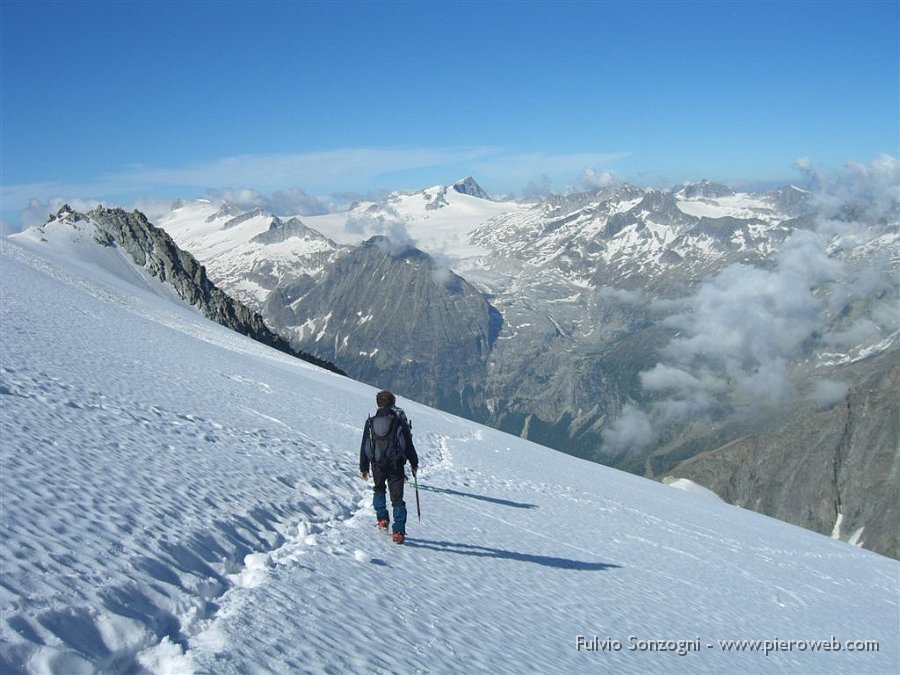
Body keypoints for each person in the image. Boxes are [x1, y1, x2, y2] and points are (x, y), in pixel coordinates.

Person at [359, 390, 419, 543]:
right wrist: (414, 463)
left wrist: (364, 466)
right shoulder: (399, 422)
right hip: (396, 465)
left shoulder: (370, 422)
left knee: (379, 490)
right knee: (397, 498)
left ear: (378, 404)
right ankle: (398, 531)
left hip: (377, 464)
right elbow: (409, 446)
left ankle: (382, 518)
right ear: (393, 404)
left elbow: (364, 444)